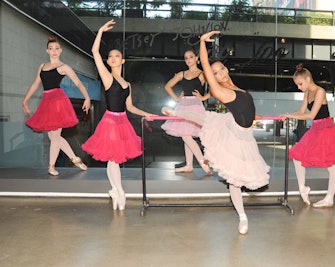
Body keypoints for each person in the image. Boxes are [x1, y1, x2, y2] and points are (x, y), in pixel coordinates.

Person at [162, 31, 270, 234]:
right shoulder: (221, 91)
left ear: (226, 69)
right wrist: (202, 43)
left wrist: (256, 115)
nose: (220, 74)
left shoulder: (235, 87)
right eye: (216, 73)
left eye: (221, 69)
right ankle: (243, 217)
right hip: (236, 135)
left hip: (243, 133)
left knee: (208, 121)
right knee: (234, 180)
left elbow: (246, 106)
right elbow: (206, 67)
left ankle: (178, 112)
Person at [82, 19, 154, 211]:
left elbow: (130, 107)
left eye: (117, 56)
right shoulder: (107, 77)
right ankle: (120, 191)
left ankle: (115, 190)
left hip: (123, 122)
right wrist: (100, 32)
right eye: (110, 56)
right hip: (110, 121)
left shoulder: (127, 84)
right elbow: (94, 52)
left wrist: (147, 114)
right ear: (108, 61)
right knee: (113, 159)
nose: (113, 58)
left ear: (122, 61)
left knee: (113, 159)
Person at [281, 63, 335, 208]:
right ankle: (303, 188)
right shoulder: (307, 93)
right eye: (297, 85)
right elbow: (302, 111)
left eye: (300, 84)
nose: (299, 87)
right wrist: (287, 115)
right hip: (316, 129)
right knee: (297, 156)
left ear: (308, 79)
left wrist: (291, 115)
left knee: (331, 165)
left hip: (326, 129)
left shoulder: (320, 91)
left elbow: (311, 114)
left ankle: (329, 198)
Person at [22, 36, 91, 176]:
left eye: (57, 48)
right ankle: (74, 159)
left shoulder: (63, 67)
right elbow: (36, 83)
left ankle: (52, 166)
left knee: (55, 136)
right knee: (53, 137)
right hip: (46, 101)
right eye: (51, 48)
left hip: (58, 101)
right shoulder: (42, 66)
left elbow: (77, 83)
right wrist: (25, 100)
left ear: (61, 51)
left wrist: (87, 98)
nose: (54, 51)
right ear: (47, 51)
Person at [161, 50, 212, 175]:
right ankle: (189, 165)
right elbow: (167, 86)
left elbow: (216, 86)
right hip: (183, 106)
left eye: (191, 57)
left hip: (195, 106)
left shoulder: (202, 74)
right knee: (186, 135)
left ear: (196, 58)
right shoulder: (182, 74)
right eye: (186, 58)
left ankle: (202, 162)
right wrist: (177, 98)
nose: (188, 60)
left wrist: (204, 97)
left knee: (186, 136)